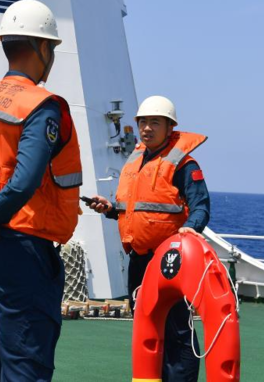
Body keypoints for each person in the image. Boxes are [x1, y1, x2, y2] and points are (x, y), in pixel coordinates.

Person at [0, 0, 83, 382]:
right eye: (52, 49)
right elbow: (24, 180)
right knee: (26, 363)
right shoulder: (41, 106)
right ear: (42, 48)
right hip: (21, 250)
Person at [84, 95, 210, 382]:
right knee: (146, 327)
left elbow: (200, 205)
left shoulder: (184, 164)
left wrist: (191, 228)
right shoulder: (137, 160)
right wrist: (110, 208)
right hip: (139, 260)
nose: (147, 128)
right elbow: (135, 208)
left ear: (170, 127)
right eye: (143, 122)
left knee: (177, 331)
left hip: (170, 263)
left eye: (155, 122)